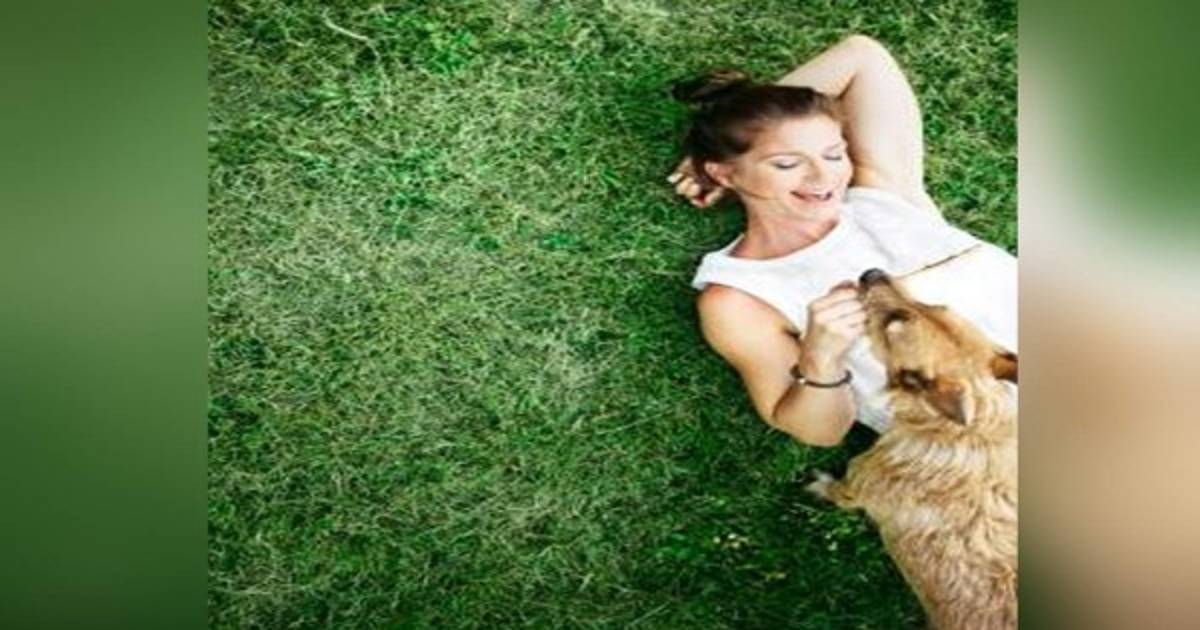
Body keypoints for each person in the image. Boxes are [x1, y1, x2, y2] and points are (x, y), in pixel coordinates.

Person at [669, 35, 1016, 446]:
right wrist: (821, 357)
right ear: (724, 174)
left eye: (834, 154)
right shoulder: (742, 298)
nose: (823, 177)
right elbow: (820, 432)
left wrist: (731, 126)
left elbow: (863, 57)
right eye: (787, 163)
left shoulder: (883, 197)